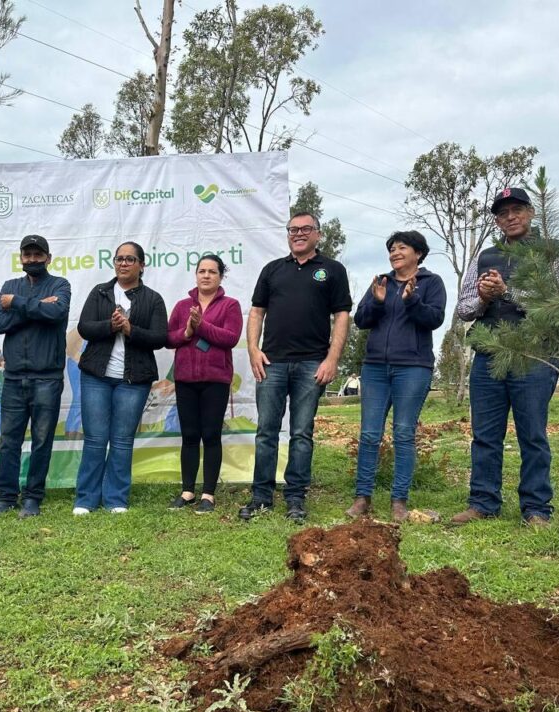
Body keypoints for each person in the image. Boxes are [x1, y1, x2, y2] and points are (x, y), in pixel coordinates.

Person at [452, 187, 559, 527]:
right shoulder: (484, 256)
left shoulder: (553, 254)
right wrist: (484, 299)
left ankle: (536, 509)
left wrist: (510, 293)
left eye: (517, 209)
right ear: (497, 219)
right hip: (488, 356)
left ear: (532, 212)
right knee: (484, 435)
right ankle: (483, 502)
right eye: (503, 212)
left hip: (534, 356)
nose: (510, 216)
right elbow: (463, 308)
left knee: (532, 434)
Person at [241, 212, 352, 523]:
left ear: (317, 234)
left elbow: (341, 315)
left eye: (306, 229)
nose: (298, 234)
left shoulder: (332, 270)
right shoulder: (272, 270)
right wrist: (253, 350)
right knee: (266, 432)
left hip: (311, 364)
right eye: (293, 229)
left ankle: (295, 498)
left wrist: (332, 359)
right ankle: (261, 496)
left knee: (302, 433)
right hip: (272, 364)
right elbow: (256, 312)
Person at [346, 231, 446, 522]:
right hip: (375, 367)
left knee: (403, 433)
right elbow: (361, 320)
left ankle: (398, 501)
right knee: (368, 434)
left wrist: (412, 301)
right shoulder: (381, 282)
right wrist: (377, 302)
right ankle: (362, 497)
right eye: (391, 248)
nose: (395, 252)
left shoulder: (432, 283)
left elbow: (434, 319)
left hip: (413, 368)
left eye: (402, 247)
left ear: (418, 253)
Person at [73, 241, 167, 515]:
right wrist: (109, 326)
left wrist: (130, 329)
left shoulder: (153, 298)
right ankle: (86, 499)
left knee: (123, 440)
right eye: (119, 259)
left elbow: (160, 337)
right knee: (95, 438)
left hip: (133, 380)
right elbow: (84, 327)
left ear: (141, 265)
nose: (123, 263)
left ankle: (115, 499)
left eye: (130, 259)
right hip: (96, 377)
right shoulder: (100, 292)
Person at [0, 234, 71, 519]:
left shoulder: (60, 285)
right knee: (8, 440)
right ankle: (6, 497)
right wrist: (35, 306)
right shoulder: (9, 286)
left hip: (47, 378)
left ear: (48, 257)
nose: (32, 260)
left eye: (38, 255)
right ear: (21, 258)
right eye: (28, 255)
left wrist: (18, 304)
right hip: (13, 378)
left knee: (42, 439)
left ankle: (33, 497)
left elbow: (57, 312)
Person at [166, 254, 243, 513]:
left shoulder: (230, 305)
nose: (206, 275)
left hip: (216, 380)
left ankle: (208, 494)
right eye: (202, 271)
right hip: (185, 379)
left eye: (212, 271)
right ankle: (188, 491)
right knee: (189, 436)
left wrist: (201, 326)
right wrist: (187, 331)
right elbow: (169, 338)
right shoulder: (181, 306)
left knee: (211, 435)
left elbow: (230, 337)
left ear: (221, 276)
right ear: (196, 274)